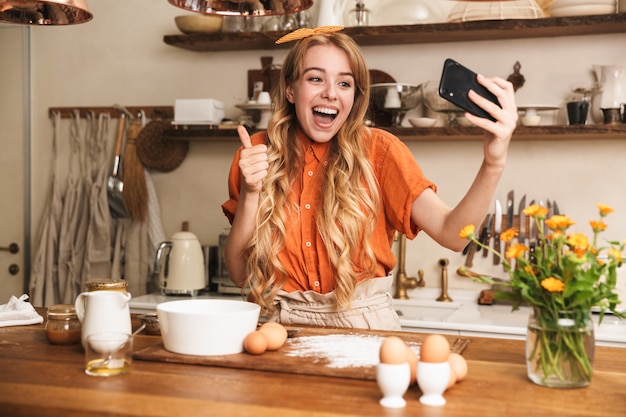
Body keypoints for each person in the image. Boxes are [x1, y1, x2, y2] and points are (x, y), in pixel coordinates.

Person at [222, 27, 518, 330]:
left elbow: (453, 234)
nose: (330, 92)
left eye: (344, 83)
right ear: (290, 89)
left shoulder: (382, 152)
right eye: (315, 78)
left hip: (363, 326)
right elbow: (240, 274)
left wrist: (494, 162)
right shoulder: (256, 154)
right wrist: (252, 191)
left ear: (354, 96)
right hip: (277, 327)